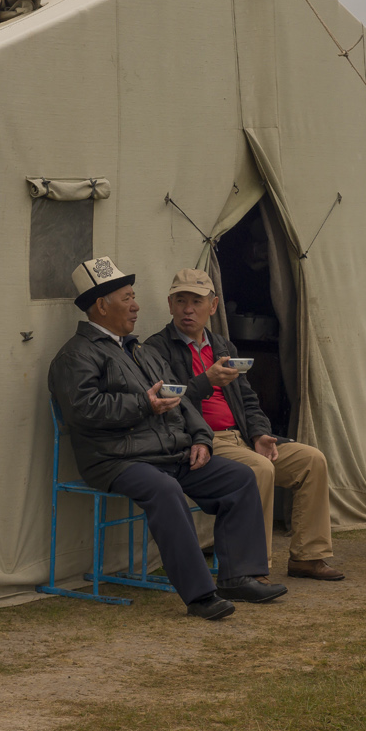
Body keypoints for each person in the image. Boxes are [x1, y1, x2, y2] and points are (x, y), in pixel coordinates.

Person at [47, 257, 288, 620]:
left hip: (167, 453)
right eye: (127, 298)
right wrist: (143, 404)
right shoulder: (75, 355)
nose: (136, 305)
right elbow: (86, 410)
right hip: (116, 459)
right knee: (165, 490)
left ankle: (237, 576)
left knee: (239, 477)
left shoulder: (138, 350)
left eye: (134, 297)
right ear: (101, 306)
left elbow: (183, 400)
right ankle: (200, 595)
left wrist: (202, 439)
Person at [145, 269, 344, 581]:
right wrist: (204, 382)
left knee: (311, 460)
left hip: (241, 437)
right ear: (169, 305)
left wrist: (261, 434)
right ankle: (253, 568)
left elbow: (248, 399)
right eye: (180, 301)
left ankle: (308, 556)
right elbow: (170, 407)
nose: (188, 309)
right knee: (259, 469)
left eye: (196, 301)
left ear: (212, 307)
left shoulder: (223, 346)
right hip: (202, 440)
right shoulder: (156, 349)